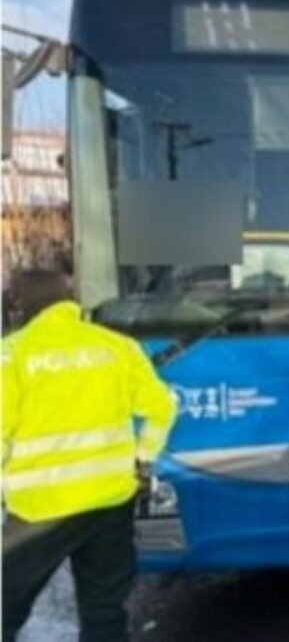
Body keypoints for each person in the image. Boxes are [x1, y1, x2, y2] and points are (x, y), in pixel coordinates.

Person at [2, 270, 177, 642]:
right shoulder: (117, 346)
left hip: (41, 508)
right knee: (104, 611)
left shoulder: (11, 354)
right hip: (110, 499)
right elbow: (163, 406)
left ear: (21, 306)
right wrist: (143, 459)